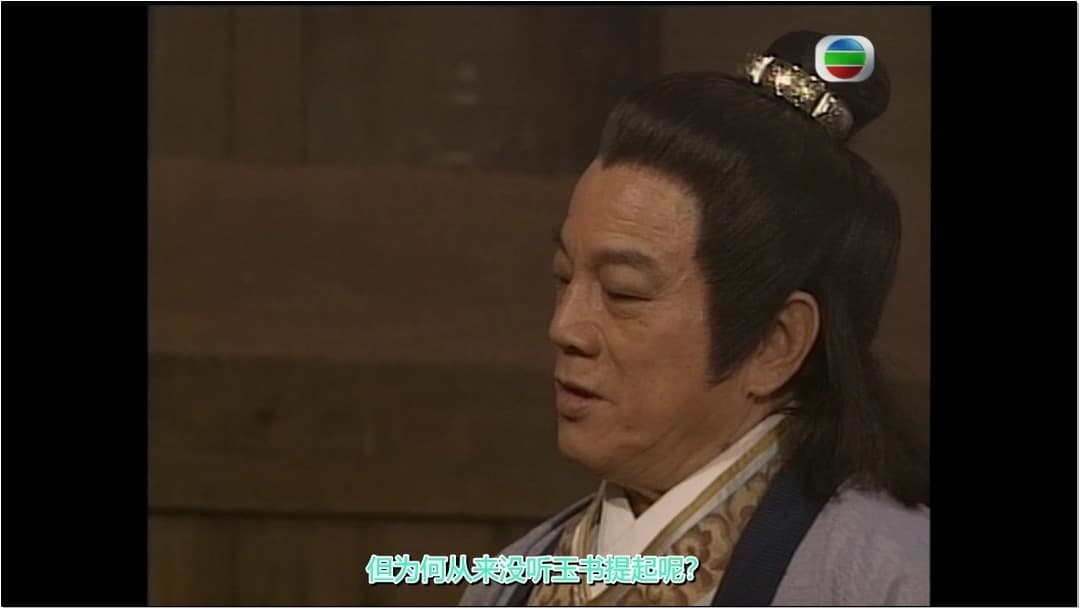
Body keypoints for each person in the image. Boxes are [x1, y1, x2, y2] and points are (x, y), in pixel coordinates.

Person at [460, 30, 929, 606]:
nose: (565, 328)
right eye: (563, 277)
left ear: (775, 343)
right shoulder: (509, 581)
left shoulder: (890, 579)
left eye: (623, 292)